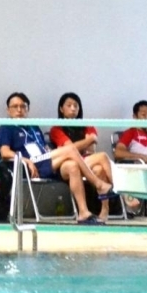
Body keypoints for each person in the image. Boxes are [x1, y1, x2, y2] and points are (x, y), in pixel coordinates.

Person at [0, 92, 117, 225]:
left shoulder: (33, 127)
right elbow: (4, 152)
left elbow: (44, 149)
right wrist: (27, 161)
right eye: (14, 107)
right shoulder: (6, 127)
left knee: (72, 166)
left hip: (45, 161)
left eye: (22, 106)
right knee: (70, 149)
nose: (19, 110)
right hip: (31, 165)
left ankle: (83, 212)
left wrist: (55, 154)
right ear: (8, 110)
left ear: (27, 109)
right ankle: (99, 184)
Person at [50, 92, 132, 222]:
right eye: (69, 105)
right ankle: (126, 194)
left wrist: (84, 144)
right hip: (67, 163)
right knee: (103, 156)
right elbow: (70, 149)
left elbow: (91, 149)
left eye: (76, 106)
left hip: (87, 161)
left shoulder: (87, 125)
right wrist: (88, 141)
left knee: (99, 169)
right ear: (61, 109)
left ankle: (104, 210)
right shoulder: (56, 129)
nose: (73, 109)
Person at [114, 100, 147, 164]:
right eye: (143, 115)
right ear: (135, 117)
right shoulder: (131, 133)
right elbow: (118, 153)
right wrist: (140, 156)